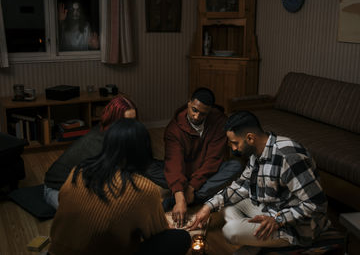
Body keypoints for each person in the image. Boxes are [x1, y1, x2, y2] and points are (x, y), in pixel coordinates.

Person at [189, 111, 330, 254]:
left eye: (235, 143)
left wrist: (278, 219)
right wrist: (208, 206)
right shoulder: (257, 152)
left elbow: (317, 204)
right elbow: (241, 186)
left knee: (230, 231)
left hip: (295, 226)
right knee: (227, 207)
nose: (233, 148)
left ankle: (269, 242)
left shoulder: (289, 157)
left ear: (250, 138)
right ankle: (260, 241)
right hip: (269, 208)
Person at [48, 118, 191, 255]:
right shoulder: (143, 189)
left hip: (54, 251)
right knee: (181, 238)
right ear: (144, 149)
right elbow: (157, 233)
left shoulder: (79, 170)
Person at [146, 87, 242, 228]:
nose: (196, 116)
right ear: (189, 104)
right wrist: (180, 197)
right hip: (184, 171)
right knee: (149, 167)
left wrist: (190, 188)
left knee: (235, 166)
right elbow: (174, 162)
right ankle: (192, 196)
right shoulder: (174, 128)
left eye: (202, 114)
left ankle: (181, 198)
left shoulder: (220, 122)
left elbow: (213, 160)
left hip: (206, 174)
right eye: (194, 110)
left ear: (209, 112)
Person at [43, 95, 137, 209]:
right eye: (126, 122)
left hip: (83, 183)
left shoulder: (119, 135)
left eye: (133, 121)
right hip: (56, 189)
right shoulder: (98, 142)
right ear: (113, 120)